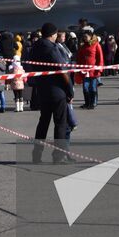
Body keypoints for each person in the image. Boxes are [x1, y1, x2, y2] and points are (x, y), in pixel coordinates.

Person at [27, 23, 75, 162]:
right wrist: (69, 90)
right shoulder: (51, 48)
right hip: (57, 90)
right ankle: (58, 156)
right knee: (60, 124)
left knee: (43, 123)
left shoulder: (35, 47)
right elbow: (62, 69)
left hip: (42, 89)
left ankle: (37, 154)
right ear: (53, 34)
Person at [75, 28, 104, 109]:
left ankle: (93, 103)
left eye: (86, 36)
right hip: (84, 71)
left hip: (93, 71)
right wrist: (78, 68)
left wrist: (99, 69)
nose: (85, 38)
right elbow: (79, 58)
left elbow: (100, 57)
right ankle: (87, 103)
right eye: (84, 37)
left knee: (93, 87)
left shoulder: (96, 44)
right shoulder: (82, 46)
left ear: (91, 36)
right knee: (85, 87)